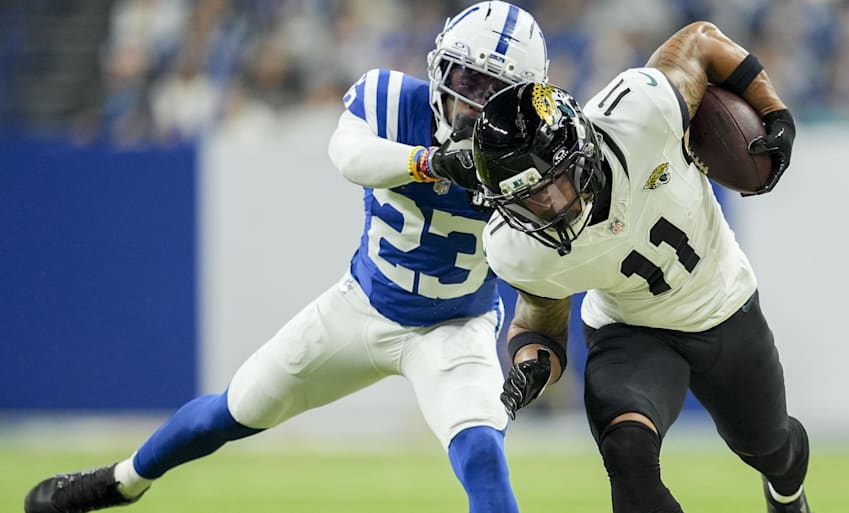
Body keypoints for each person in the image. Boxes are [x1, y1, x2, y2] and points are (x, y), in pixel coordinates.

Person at [23, 3, 548, 513]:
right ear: (442, 68)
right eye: (467, 78)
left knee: (482, 453)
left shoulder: (537, 159)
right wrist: (430, 162)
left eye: (494, 90)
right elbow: (349, 155)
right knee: (232, 410)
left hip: (457, 327)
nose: (473, 101)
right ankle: (122, 481)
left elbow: (554, 252)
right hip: (361, 306)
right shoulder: (392, 100)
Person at [472, 21, 808, 513]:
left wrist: (774, 110)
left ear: (579, 152)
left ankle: (787, 495)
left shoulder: (640, 113)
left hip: (722, 304)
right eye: (527, 201)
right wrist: (532, 361)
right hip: (630, 331)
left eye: (552, 185)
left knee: (771, 449)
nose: (547, 208)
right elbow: (540, 322)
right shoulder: (519, 247)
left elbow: (701, 41)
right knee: (627, 454)